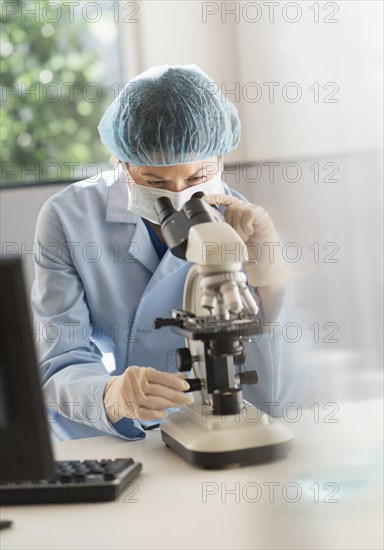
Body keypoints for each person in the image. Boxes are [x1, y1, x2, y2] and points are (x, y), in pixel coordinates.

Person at [32, 65, 288, 441]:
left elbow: (274, 381)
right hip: (112, 436)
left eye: (198, 178)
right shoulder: (68, 217)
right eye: (154, 182)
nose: (179, 194)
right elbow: (58, 363)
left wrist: (270, 278)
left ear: (219, 158)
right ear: (120, 161)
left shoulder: (241, 219)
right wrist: (109, 396)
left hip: (217, 425)